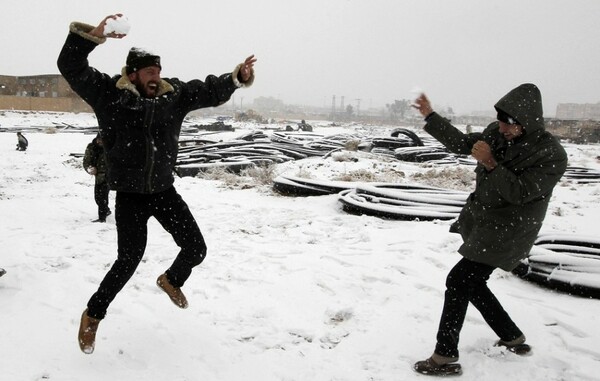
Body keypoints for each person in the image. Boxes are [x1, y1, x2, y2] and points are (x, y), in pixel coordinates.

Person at [57, 14, 256, 354]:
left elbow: (208, 90)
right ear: (132, 73)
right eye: (149, 71)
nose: (156, 77)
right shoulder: (109, 95)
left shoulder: (173, 96)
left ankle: (171, 280)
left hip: (164, 192)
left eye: (158, 71)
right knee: (128, 261)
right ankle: (93, 314)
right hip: (131, 197)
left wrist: (236, 78)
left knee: (196, 249)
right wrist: (89, 37)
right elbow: (71, 67)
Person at [411, 83, 567, 376]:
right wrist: (431, 116)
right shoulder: (496, 133)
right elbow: (460, 143)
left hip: (510, 230)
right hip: (485, 225)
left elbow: (521, 192)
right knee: (474, 283)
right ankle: (512, 337)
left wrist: (491, 163)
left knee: (459, 281)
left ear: (527, 122)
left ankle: (445, 356)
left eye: (510, 125)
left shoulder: (550, 154)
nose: (503, 129)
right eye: (500, 121)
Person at [83, 134, 111, 222]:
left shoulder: (110, 148)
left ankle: (102, 218)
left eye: (102, 140)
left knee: (103, 196)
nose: (100, 142)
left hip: (108, 176)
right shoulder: (91, 148)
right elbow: (86, 162)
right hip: (98, 176)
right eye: (99, 139)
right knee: (97, 197)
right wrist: (90, 168)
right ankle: (106, 210)